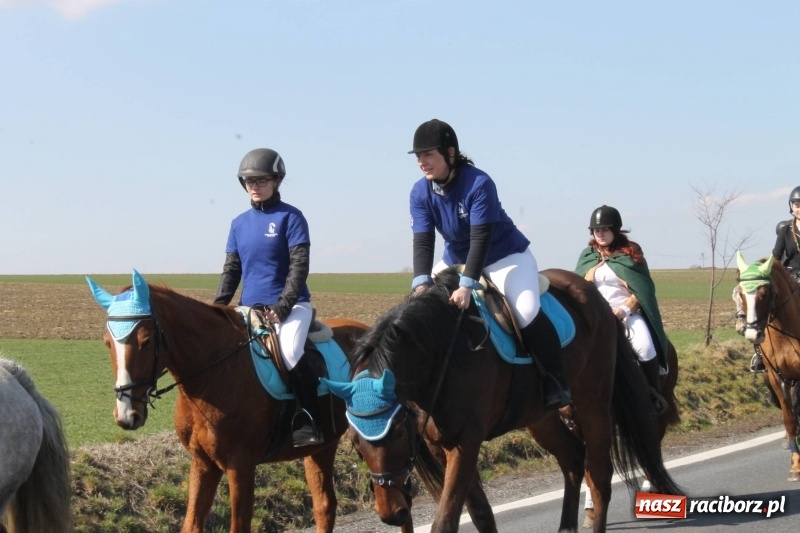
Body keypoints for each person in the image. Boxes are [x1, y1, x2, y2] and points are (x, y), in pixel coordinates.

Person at [407, 118, 570, 409]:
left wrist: (467, 285)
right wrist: (421, 281)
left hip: (504, 256)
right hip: (455, 258)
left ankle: (555, 380)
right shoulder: (420, 192)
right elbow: (423, 241)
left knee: (525, 310)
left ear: (450, 153)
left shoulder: (479, 183)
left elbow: (480, 239)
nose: (422, 162)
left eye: (428, 154)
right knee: (416, 308)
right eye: (419, 157)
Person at [214, 148, 322, 447]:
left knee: (288, 352)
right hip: (249, 308)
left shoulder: (292, 217)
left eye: (261, 180)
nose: (254, 186)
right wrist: (218, 309)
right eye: (249, 181)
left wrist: (283, 306)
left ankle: (309, 419)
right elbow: (231, 271)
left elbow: (299, 266)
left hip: (291, 306)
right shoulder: (238, 223)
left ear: (277, 181)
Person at [574, 205, 668, 414]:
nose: (600, 234)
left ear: (615, 230)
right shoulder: (587, 255)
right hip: (596, 315)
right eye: (597, 230)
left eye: (605, 230)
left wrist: (623, 311)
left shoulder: (631, 253)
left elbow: (643, 291)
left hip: (626, 313)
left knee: (644, 347)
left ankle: (653, 393)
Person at [737, 186, 800, 372]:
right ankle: (760, 352)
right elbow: (776, 257)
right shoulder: (785, 230)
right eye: (796, 204)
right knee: (763, 302)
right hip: (788, 277)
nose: (799, 208)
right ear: (791, 207)